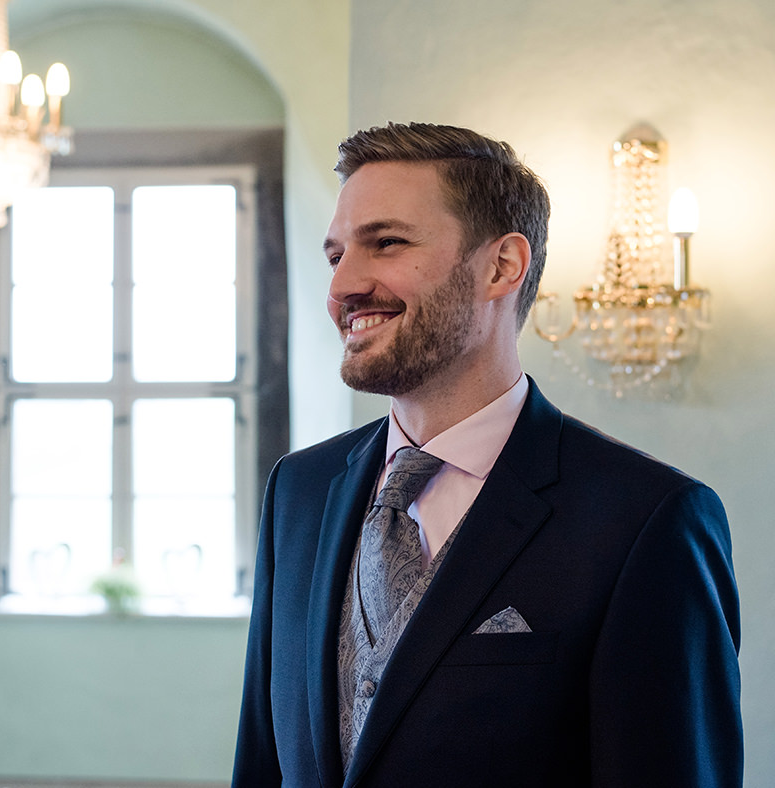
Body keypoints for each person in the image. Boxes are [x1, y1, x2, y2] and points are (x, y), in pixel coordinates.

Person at [233, 122, 742, 787]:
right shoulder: (299, 490)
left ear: (501, 266)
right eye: (335, 256)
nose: (345, 285)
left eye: (386, 243)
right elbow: (264, 764)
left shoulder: (645, 521)